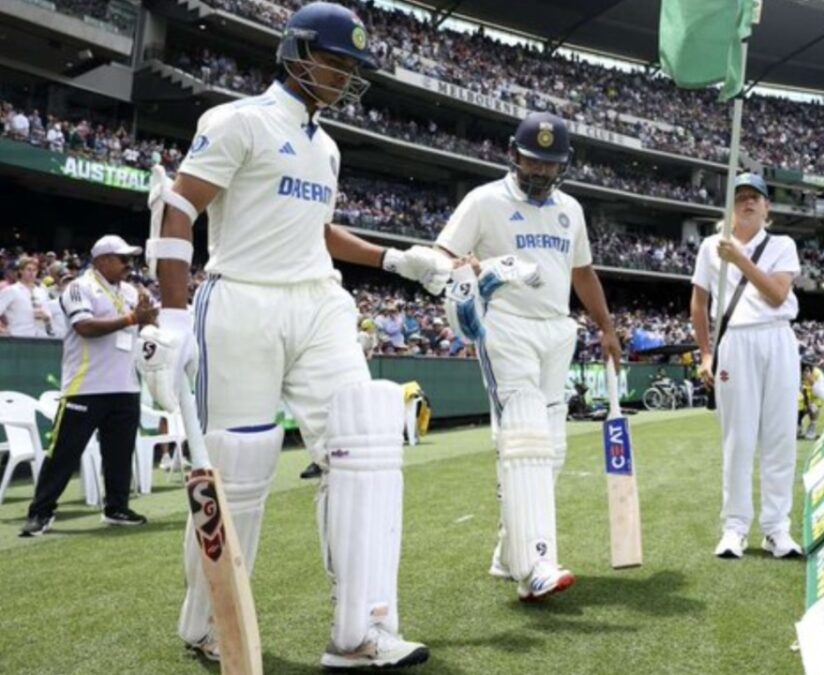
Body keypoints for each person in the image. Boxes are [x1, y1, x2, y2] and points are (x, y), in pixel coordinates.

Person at [135, 3, 451, 668]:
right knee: (240, 468)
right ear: (297, 52)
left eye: (352, 68)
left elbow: (319, 231)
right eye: (337, 62)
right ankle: (208, 621)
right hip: (241, 296)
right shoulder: (238, 121)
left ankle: (361, 631)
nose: (345, 77)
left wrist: (394, 260)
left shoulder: (325, 145)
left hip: (318, 301)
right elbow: (179, 206)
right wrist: (170, 315)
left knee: (366, 442)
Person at [435, 111, 621, 601]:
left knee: (553, 450)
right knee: (524, 441)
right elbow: (441, 255)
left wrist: (606, 326)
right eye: (533, 162)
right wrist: (466, 266)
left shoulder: (571, 209)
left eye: (551, 164)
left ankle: (508, 551)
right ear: (513, 155)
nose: (540, 172)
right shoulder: (484, 201)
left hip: (557, 332)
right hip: (505, 326)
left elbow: (583, 273)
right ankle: (534, 565)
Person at [690, 172, 803, 560]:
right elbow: (699, 303)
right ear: (730, 206)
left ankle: (777, 529)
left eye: (756, 196)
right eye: (740, 197)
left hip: (777, 336)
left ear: (767, 206)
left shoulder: (782, 244)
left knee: (780, 438)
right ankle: (735, 528)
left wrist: (739, 259)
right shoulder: (710, 247)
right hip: (736, 339)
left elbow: (776, 294)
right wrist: (706, 352)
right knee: (738, 439)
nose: (748, 202)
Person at [19, 236, 158, 536]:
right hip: (86, 387)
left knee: (119, 453)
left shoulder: (132, 291)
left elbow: (145, 323)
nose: (128, 265)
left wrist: (148, 320)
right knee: (64, 454)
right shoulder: (79, 287)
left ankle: (117, 508)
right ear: (103, 260)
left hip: (125, 385)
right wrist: (133, 317)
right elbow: (85, 327)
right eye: (123, 259)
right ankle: (40, 512)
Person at [0, 256, 54, 337]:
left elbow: (49, 315)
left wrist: (46, 317)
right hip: (18, 337)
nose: (32, 273)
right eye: (28, 269)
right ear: (21, 271)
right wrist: (2, 331)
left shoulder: (42, 291)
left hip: (40, 338)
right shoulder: (11, 290)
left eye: (34, 270)